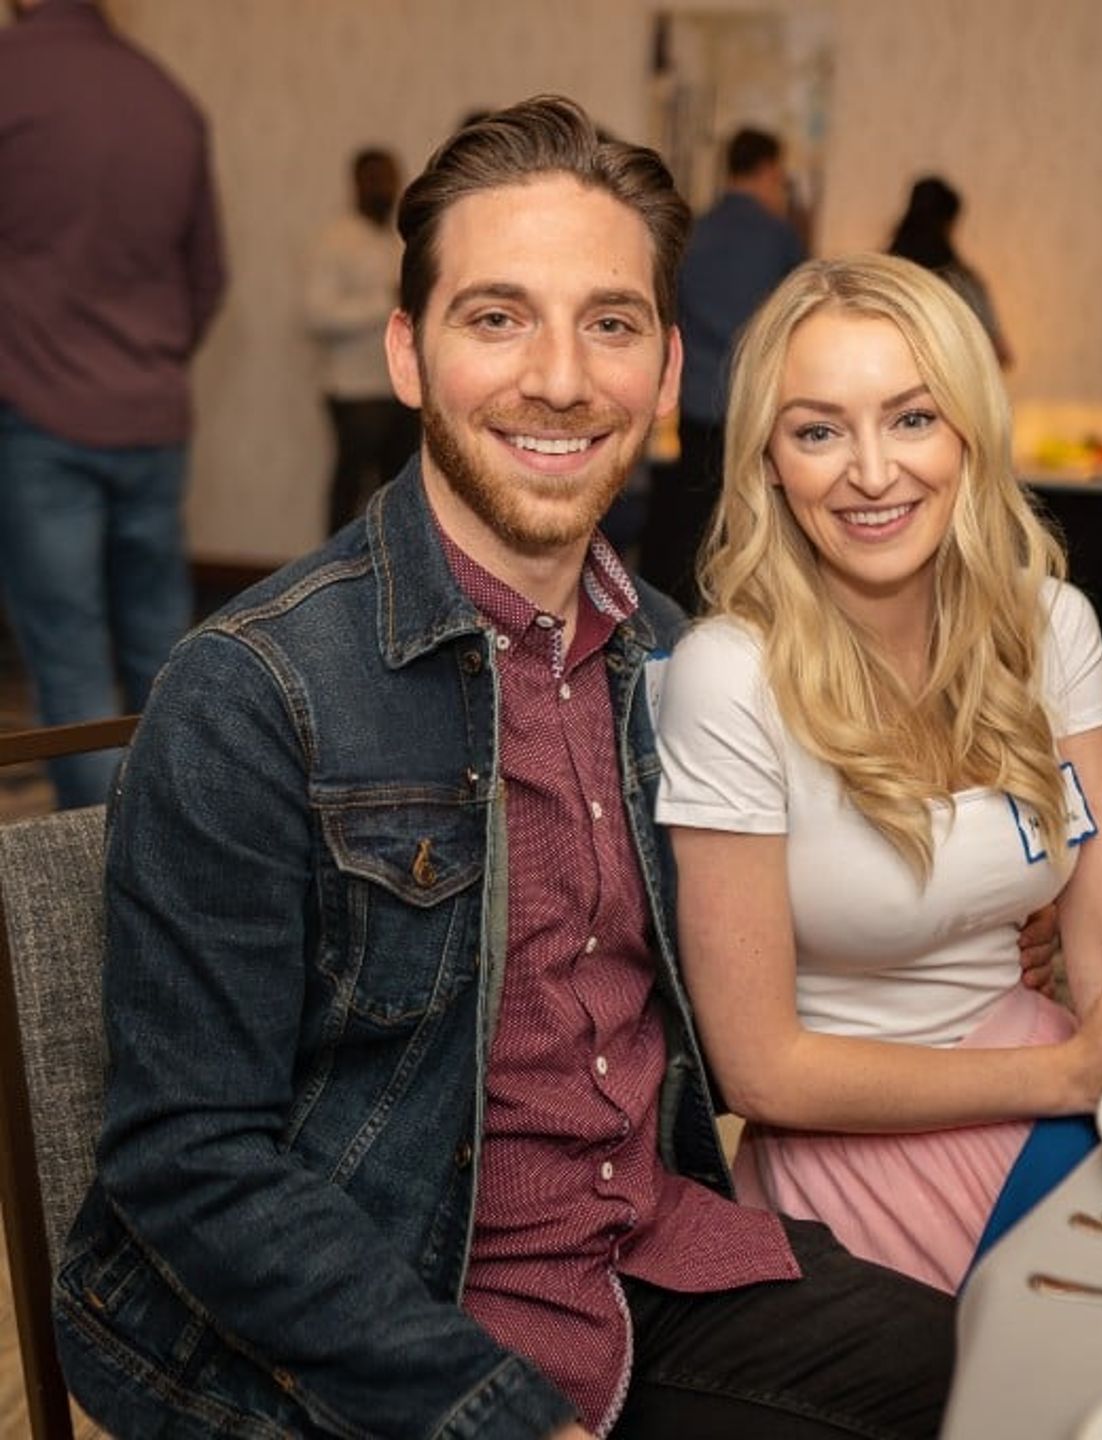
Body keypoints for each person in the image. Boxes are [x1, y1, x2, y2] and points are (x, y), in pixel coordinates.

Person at [52, 97, 963, 1440]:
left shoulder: (675, 659)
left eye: (610, 323)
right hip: (370, 1333)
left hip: (638, 1259)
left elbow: (756, 945)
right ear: (408, 355)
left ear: (665, 373)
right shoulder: (253, 693)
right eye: (496, 318)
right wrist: (491, 1416)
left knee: (987, 1368)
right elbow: (189, 1166)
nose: (558, 378)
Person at [654, 253, 1102, 1293]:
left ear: (968, 431)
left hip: (1041, 1077)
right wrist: (1064, 1076)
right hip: (855, 1140)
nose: (871, 472)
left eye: (911, 418)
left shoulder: (1052, 626)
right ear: (769, 460)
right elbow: (759, 1069)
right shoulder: (729, 676)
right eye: (818, 431)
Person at [0, 0, 226, 807]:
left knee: (70, 664)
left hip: (35, 416)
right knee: (162, 661)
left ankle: (93, 908)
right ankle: (178, 866)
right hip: (152, 419)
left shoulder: (10, 77)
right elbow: (206, 278)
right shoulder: (167, 96)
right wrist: (149, 360)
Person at [637, 126, 805, 612]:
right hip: (754, 409)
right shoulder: (780, 239)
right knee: (752, 525)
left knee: (693, 522)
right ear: (770, 170)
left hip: (696, 405)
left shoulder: (693, 232)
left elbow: (667, 315)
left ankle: (682, 623)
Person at [304, 146, 419, 534]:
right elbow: (317, 314)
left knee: (399, 493)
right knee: (350, 492)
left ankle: (392, 581)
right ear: (356, 182)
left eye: (390, 178)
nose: (384, 187)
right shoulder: (335, 241)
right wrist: (386, 300)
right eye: (375, 179)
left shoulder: (398, 241)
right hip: (354, 392)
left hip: (398, 388)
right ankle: (333, 586)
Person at [888, 175, 1014, 369]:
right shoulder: (963, 283)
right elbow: (999, 354)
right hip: (950, 389)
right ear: (949, 225)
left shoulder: (881, 276)